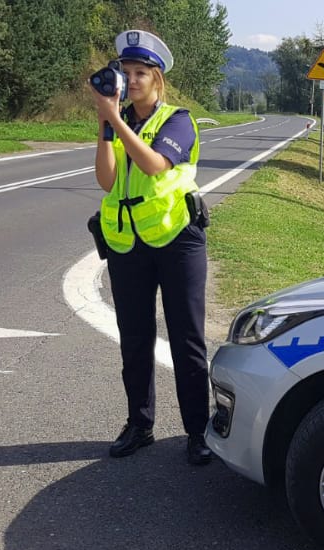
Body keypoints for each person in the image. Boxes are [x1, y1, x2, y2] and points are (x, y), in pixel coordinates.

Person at [90, 29, 212, 465]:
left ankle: (199, 432)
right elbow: (106, 181)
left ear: (157, 79)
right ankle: (139, 425)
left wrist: (116, 121)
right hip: (129, 244)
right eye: (125, 71)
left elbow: (155, 164)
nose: (131, 79)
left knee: (187, 339)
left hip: (178, 240)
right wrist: (106, 127)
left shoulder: (178, 120)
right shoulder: (115, 120)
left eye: (140, 72)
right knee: (135, 340)